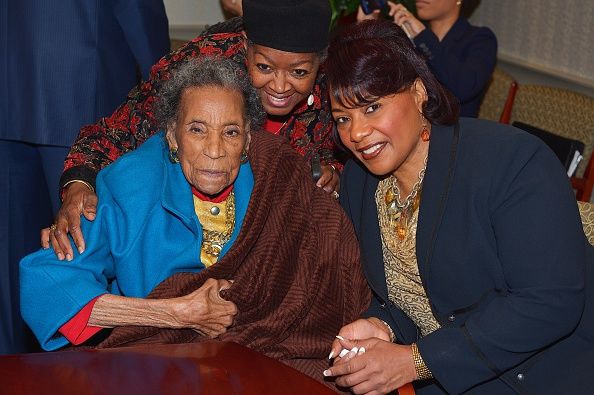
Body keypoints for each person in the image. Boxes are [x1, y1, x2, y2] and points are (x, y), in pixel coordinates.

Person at [20, 56, 370, 381]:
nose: (215, 150)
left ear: (248, 140)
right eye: (197, 130)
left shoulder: (275, 176)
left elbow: (331, 264)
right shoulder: (131, 186)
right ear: (172, 135)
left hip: (263, 363)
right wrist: (177, 312)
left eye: (231, 132)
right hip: (155, 367)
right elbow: (45, 284)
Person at [322, 20, 593, 394]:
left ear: (418, 93)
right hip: (451, 376)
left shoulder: (510, 161)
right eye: (342, 118)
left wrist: (416, 360)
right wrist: (380, 325)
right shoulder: (359, 181)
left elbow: (550, 302)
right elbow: (421, 293)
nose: (356, 133)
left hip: (550, 372)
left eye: (372, 107)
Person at [43, 0, 343, 263]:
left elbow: (355, 154)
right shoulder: (197, 73)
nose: (280, 86)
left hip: (276, 248)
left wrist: (335, 173)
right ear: (245, 44)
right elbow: (112, 135)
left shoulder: (334, 91)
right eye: (264, 67)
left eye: (299, 72)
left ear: (321, 63)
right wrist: (79, 187)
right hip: (177, 242)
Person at [0, 0, 170, 354]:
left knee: (11, 262)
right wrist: (165, 78)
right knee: (84, 249)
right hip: (77, 86)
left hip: (11, 89)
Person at [357, 0, 497, 117]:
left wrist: (422, 35)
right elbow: (377, 84)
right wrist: (367, 32)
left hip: (455, 137)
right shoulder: (406, 34)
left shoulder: (481, 39)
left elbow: (462, 88)